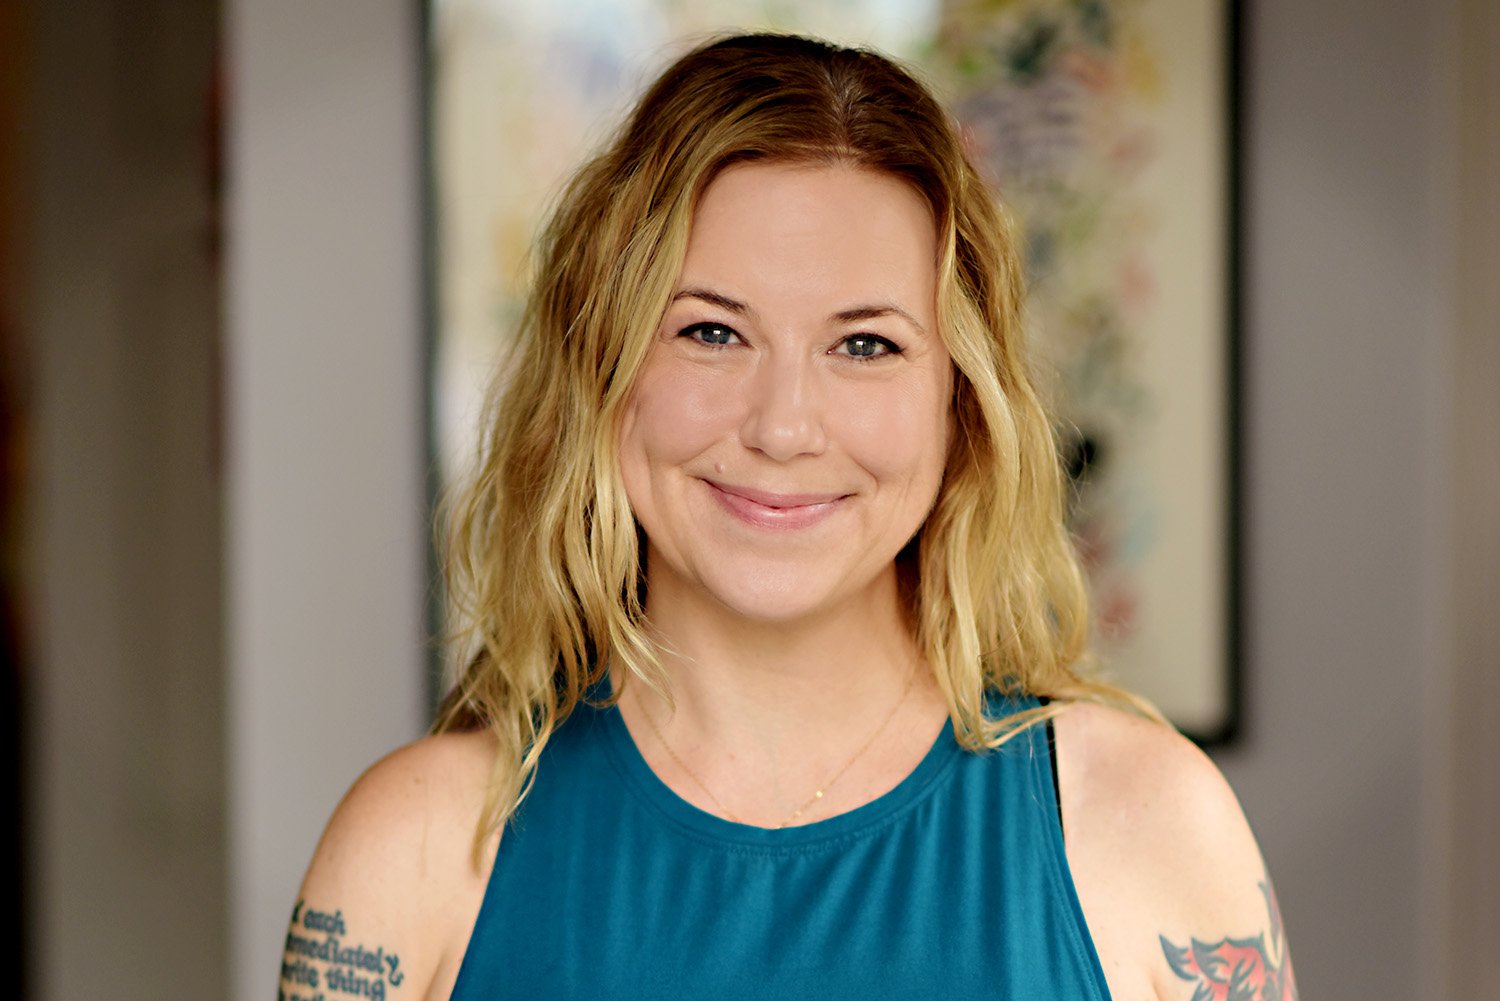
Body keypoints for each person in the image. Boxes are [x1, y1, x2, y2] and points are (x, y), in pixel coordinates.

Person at [279, 32, 1297, 1001]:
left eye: (865, 345)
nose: (783, 426)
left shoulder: (1147, 821)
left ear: (960, 400)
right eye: (713, 331)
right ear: (604, 368)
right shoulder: (413, 846)